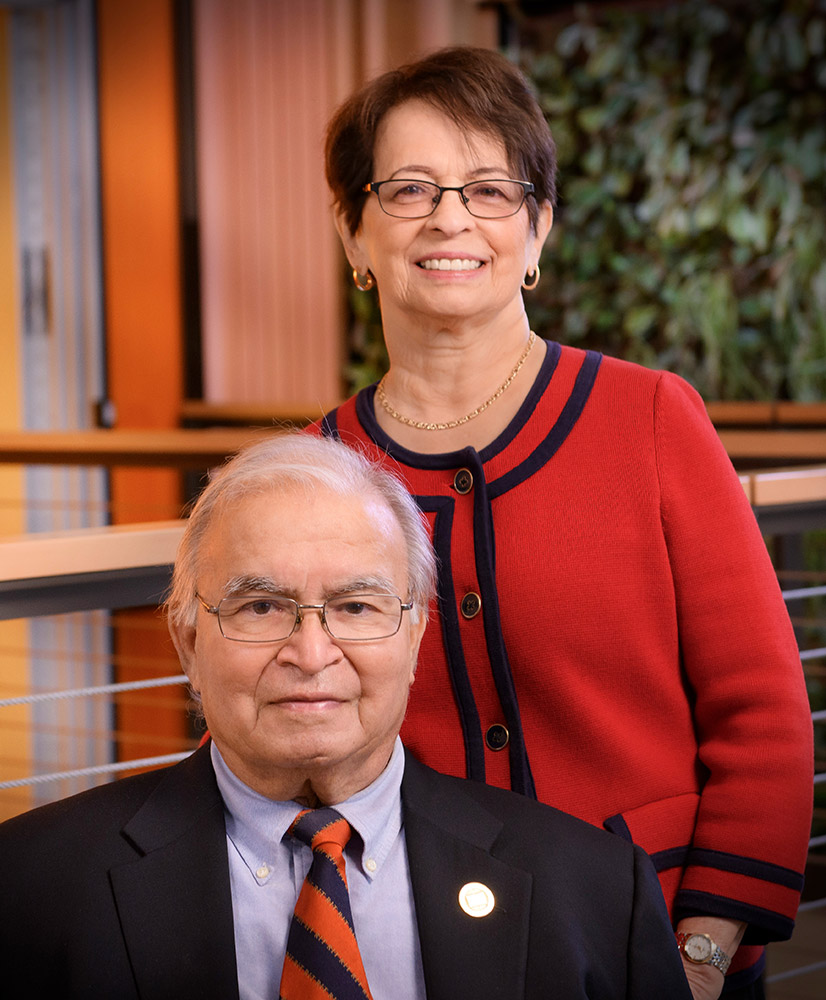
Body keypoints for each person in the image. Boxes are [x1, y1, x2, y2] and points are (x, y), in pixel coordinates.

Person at [316, 45, 814, 1000]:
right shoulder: (318, 472)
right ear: (354, 235)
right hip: (414, 949)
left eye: (491, 189)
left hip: (654, 936)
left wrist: (701, 959)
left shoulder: (652, 419)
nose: (451, 217)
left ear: (537, 231)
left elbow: (764, 718)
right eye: (410, 188)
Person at [0, 434, 691, 1000]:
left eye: (355, 607)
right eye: (261, 606)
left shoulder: (595, 891)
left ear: (414, 637)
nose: (311, 653)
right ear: (188, 641)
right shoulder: (19, 893)